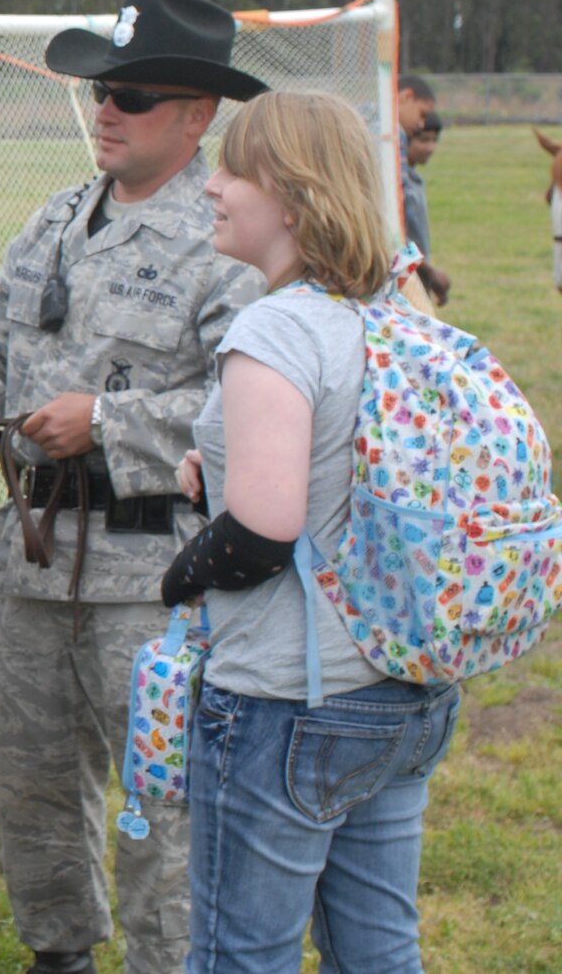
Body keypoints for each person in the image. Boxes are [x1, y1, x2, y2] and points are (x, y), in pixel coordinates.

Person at [0, 0, 269, 974]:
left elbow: (253, 405)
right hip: (35, 568)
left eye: (130, 94)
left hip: (154, 578)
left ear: (194, 116)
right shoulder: (52, 220)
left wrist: (112, 420)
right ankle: (59, 956)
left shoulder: (223, 242)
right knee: (30, 781)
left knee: (158, 801)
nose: (104, 110)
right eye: (100, 91)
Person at [161, 90, 459, 972]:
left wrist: (178, 576)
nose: (210, 185)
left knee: (239, 955)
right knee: (378, 950)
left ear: (288, 197)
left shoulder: (276, 326)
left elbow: (261, 530)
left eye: (231, 169)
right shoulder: (396, 314)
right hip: (403, 690)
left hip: (289, 703)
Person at [395, 75, 449, 305]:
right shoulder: (392, 137)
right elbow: (391, 230)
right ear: (406, 97)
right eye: (422, 114)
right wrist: (427, 270)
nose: (420, 123)